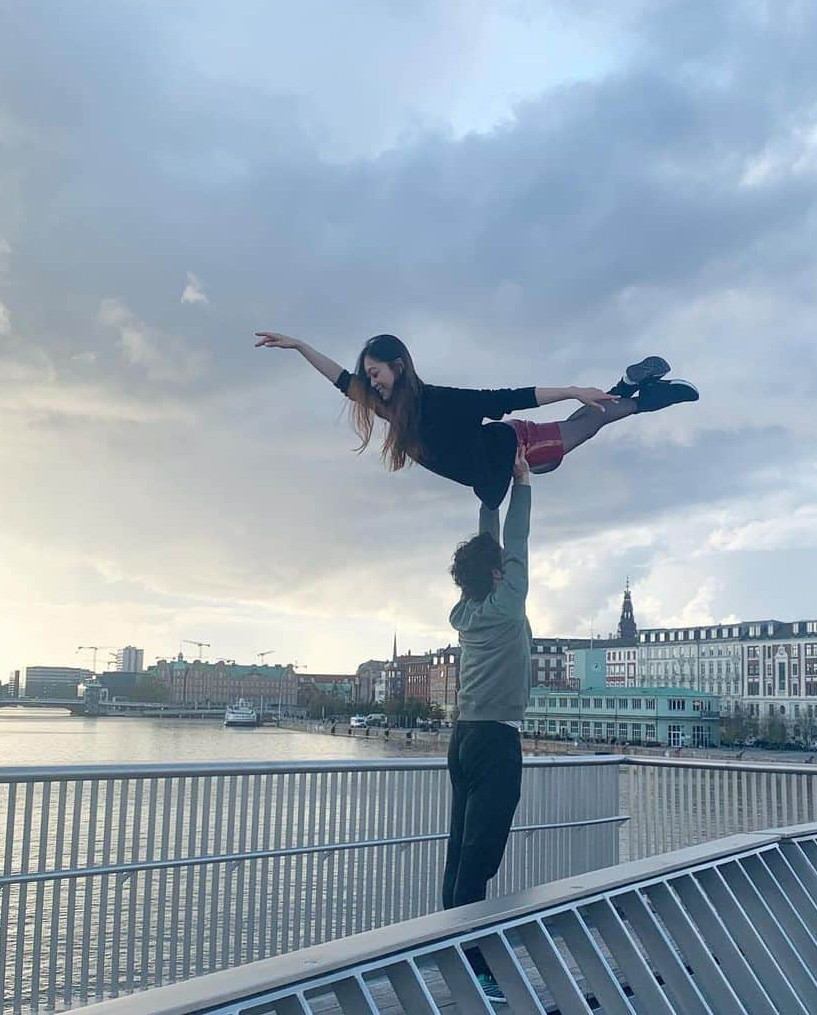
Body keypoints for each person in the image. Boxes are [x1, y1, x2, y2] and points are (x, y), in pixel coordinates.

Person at [253, 331, 697, 510]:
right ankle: (625, 386)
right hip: (505, 456)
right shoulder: (394, 410)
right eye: (368, 376)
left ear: (399, 367)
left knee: (585, 425)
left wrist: (572, 390)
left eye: (376, 374)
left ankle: (646, 399)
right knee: (584, 426)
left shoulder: (438, 401)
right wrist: (299, 346)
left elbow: (509, 397)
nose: (371, 384)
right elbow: (341, 379)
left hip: (513, 449)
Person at [439, 445, 534, 1002]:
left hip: (463, 739)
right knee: (481, 855)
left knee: (460, 848)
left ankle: (449, 944)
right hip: (497, 739)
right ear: (498, 575)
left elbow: (492, 552)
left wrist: (488, 497)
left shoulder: (470, 610)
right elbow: (516, 546)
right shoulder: (507, 603)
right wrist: (520, 487)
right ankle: (472, 966)